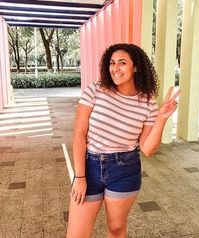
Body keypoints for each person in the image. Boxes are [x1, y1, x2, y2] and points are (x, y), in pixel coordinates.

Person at [66, 43, 180, 238]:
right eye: (112, 63)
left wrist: (161, 119)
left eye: (122, 63)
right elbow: (79, 134)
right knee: (76, 235)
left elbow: (147, 149)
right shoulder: (96, 90)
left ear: (135, 67)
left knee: (117, 229)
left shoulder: (147, 102)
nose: (115, 68)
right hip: (90, 166)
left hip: (124, 169)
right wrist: (80, 177)